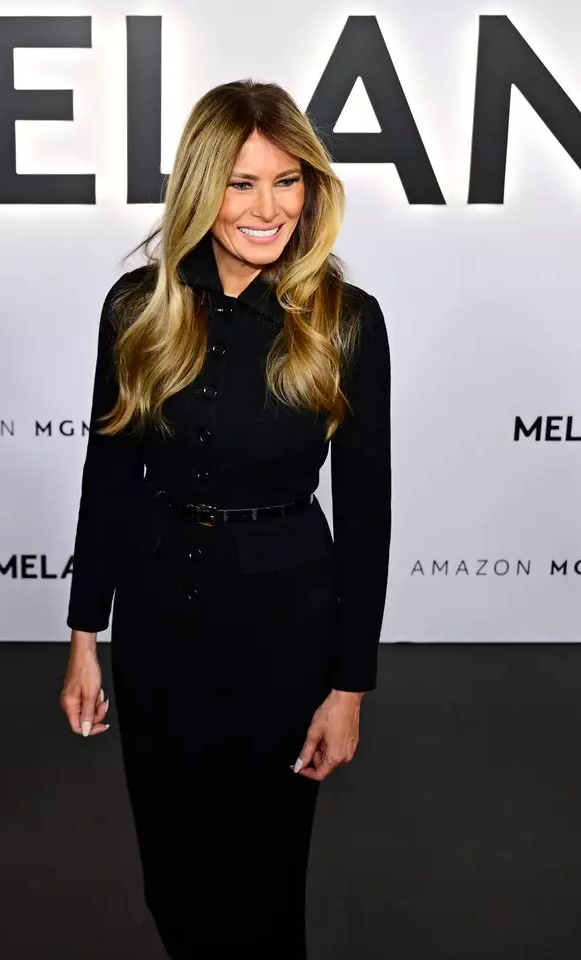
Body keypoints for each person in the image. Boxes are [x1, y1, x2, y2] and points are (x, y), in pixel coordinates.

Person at [59, 80, 391, 957]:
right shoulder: (137, 306)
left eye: (288, 182)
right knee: (172, 880)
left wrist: (349, 688)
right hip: (160, 623)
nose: (269, 207)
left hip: (287, 632)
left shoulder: (346, 322)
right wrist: (86, 633)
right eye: (243, 183)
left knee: (267, 885)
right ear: (204, 188)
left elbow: (367, 515)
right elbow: (109, 475)